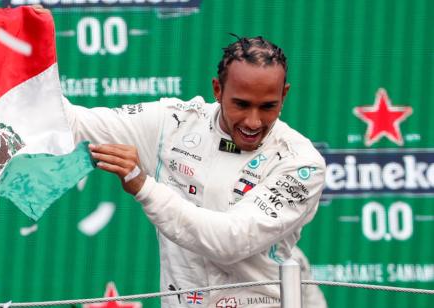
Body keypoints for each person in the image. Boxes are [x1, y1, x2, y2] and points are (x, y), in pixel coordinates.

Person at [33, 6, 326, 307]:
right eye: (241, 104)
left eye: (268, 107)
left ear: (284, 96)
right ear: (217, 89)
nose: (253, 121)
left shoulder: (302, 162)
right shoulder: (173, 123)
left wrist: (144, 188)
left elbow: (229, 241)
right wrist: (35, 53)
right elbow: (73, 124)